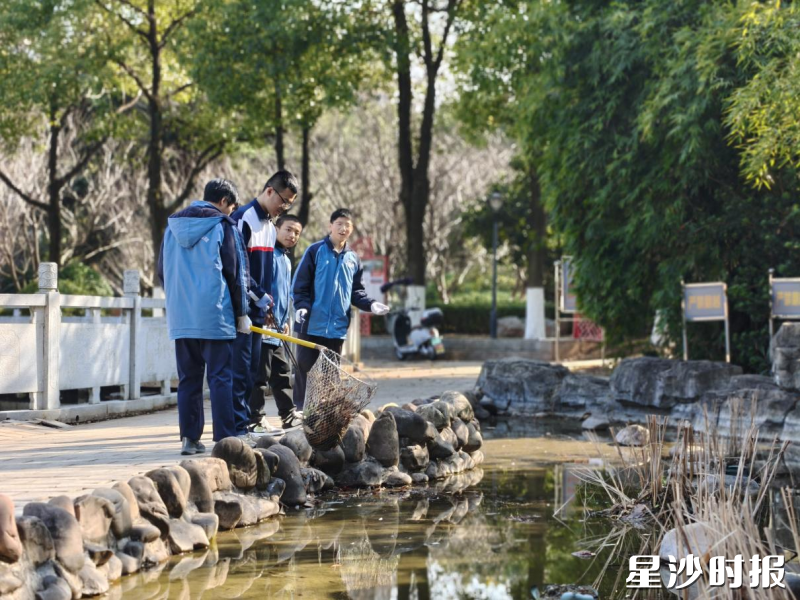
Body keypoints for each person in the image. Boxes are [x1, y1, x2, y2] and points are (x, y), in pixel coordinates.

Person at [157, 178, 250, 455]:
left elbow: (162, 271)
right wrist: (242, 312)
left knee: (188, 379)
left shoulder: (171, 227)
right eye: (231, 207)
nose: (231, 213)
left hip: (181, 316)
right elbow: (236, 273)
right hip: (215, 314)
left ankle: (189, 439)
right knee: (220, 377)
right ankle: (225, 440)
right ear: (223, 202)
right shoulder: (224, 226)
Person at [291, 208, 389, 409]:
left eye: (348, 225)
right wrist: (301, 307)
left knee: (331, 373)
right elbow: (299, 286)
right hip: (310, 324)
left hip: (337, 328)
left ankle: (326, 412)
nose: (343, 228)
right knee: (304, 369)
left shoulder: (353, 258)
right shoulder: (314, 251)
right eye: (339, 224)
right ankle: (301, 411)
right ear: (330, 226)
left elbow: (356, 292)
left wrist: (371, 304)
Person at [230, 170, 299, 438]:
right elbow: (238, 269)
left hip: (260, 311)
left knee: (252, 371)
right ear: (270, 191)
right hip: (243, 310)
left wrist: (268, 306)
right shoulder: (243, 219)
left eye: (289, 204)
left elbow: (265, 275)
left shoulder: (270, 227)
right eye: (284, 200)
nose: (284, 207)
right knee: (243, 371)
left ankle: (248, 424)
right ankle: (242, 424)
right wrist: (245, 306)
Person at [249, 214, 304, 432]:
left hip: (278, 330)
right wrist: (263, 312)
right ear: (276, 228)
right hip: (262, 327)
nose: (292, 236)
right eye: (288, 230)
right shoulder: (266, 254)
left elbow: (285, 294)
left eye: (297, 233)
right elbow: (259, 287)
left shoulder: (286, 259)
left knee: (282, 373)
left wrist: (285, 320)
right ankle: (255, 419)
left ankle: (288, 415)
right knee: (259, 377)